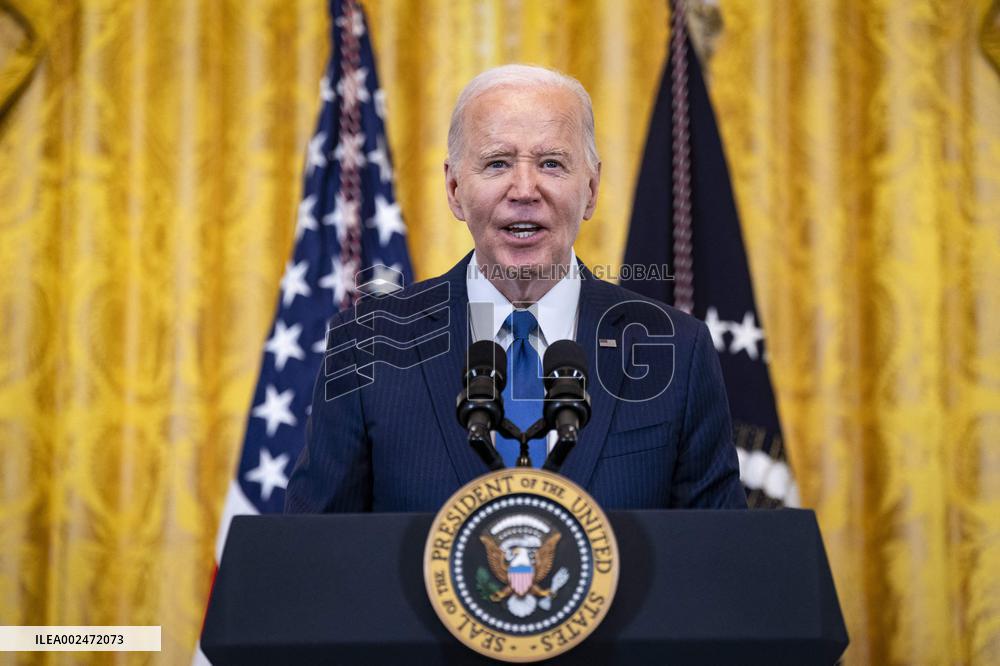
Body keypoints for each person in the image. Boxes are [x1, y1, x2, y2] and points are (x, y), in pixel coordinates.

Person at [285, 65, 746, 513]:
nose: (524, 189)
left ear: (591, 188)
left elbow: (718, 561)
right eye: (497, 162)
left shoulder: (675, 349)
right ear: (453, 187)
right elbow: (313, 558)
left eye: (551, 163)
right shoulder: (367, 345)